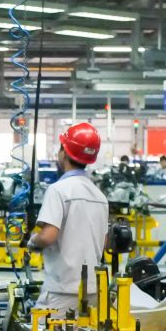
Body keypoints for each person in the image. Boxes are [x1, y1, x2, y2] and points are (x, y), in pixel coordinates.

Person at [27, 122, 109, 315]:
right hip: (92, 291)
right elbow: (103, 241)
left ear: (64, 152)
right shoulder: (100, 196)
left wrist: (32, 241)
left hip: (61, 291)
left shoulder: (58, 190)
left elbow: (48, 236)